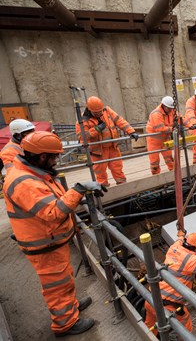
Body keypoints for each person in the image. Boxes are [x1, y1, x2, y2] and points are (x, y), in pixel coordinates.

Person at [3, 131, 107, 337]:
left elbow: (55, 200)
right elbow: (53, 213)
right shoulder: (24, 182)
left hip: (51, 240)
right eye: (54, 157)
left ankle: (71, 306)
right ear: (42, 157)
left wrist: (78, 193)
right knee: (56, 285)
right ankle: (65, 323)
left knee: (65, 278)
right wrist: (78, 190)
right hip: (44, 245)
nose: (56, 160)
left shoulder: (34, 173)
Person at [75, 96, 138, 187]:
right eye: (96, 112)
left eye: (100, 111)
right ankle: (103, 188)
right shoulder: (82, 120)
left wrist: (131, 131)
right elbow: (81, 136)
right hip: (98, 150)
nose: (99, 113)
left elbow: (120, 120)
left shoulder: (106, 111)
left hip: (112, 147)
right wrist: (96, 129)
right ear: (90, 110)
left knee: (117, 167)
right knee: (100, 172)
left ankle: (122, 185)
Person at [146, 96, 177, 175]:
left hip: (165, 139)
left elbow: (181, 119)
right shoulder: (156, 114)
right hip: (153, 141)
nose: (170, 110)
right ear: (163, 105)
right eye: (169, 108)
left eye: (171, 108)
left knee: (169, 158)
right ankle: (156, 176)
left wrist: (191, 125)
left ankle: (174, 173)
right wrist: (173, 129)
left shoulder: (172, 111)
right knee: (154, 161)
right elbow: (160, 128)